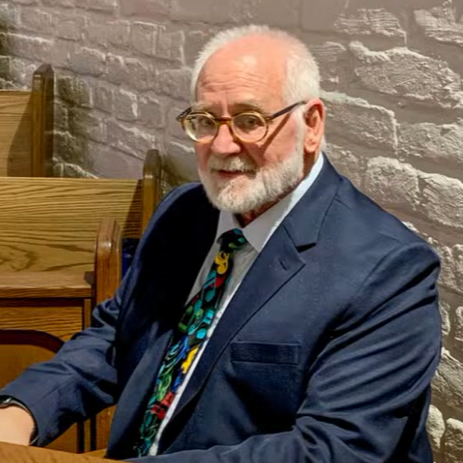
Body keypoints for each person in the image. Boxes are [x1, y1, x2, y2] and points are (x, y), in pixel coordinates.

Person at [0, 25, 441, 463]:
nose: (223, 145)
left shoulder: (387, 270)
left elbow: (333, 451)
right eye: (206, 121)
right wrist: (21, 412)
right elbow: (117, 337)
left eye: (251, 121)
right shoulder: (184, 211)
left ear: (311, 125)